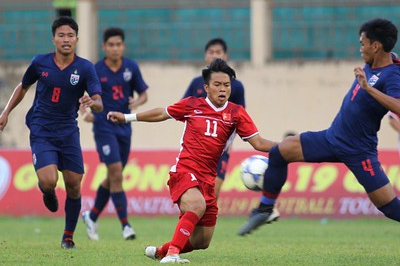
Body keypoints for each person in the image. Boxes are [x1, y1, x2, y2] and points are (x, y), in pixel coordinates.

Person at [238, 18, 400, 236]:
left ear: (376, 46)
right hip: (332, 138)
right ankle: (265, 209)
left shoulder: (392, 75)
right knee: (280, 151)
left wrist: (369, 89)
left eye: (362, 43)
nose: (360, 48)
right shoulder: (374, 63)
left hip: (359, 150)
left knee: (389, 207)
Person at [107, 58, 277, 263]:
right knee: (196, 206)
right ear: (206, 87)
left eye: (227, 85)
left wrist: (287, 148)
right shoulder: (192, 105)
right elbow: (163, 113)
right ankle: (171, 256)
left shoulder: (236, 113)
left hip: (208, 178)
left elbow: (258, 143)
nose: (223, 89)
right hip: (184, 171)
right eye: (217, 85)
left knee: (201, 241)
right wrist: (127, 117)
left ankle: (161, 251)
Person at [0, 16, 103, 249]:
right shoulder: (40, 63)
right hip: (42, 129)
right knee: (49, 181)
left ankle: (68, 237)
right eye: (61, 35)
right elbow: (23, 87)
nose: (66, 39)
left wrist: (92, 102)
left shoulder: (85, 68)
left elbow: (99, 101)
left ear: (77, 39)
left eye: (70, 35)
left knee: (75, 184)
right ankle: (46, 191)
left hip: (68, 131)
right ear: (54, 39)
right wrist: (6, 112)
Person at [79, 27, 149, 241]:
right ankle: (126, 226)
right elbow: (80, 93)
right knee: (116, 172)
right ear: (104, 47)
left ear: (123, 46)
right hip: (103, 126)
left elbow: (143, 93)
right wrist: (85, 112)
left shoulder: (131, 67)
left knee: (113, 176)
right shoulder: (96, 69)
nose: (115, 48)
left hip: (125, 125)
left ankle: (91, 216)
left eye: (118, 44)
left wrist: (135, 102)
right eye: (111, 45)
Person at [183, 38, 245, 198]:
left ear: (225, 55)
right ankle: (188, 222)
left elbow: (240, 118)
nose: (215, 56)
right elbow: (183, 111)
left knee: (212, 194)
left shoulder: (236, 87)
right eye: (211, 52)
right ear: (205, 56)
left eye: (218, 52)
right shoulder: (196, 83)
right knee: (193, 196)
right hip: (196, 150)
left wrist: (230, 142)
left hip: (221, 148)